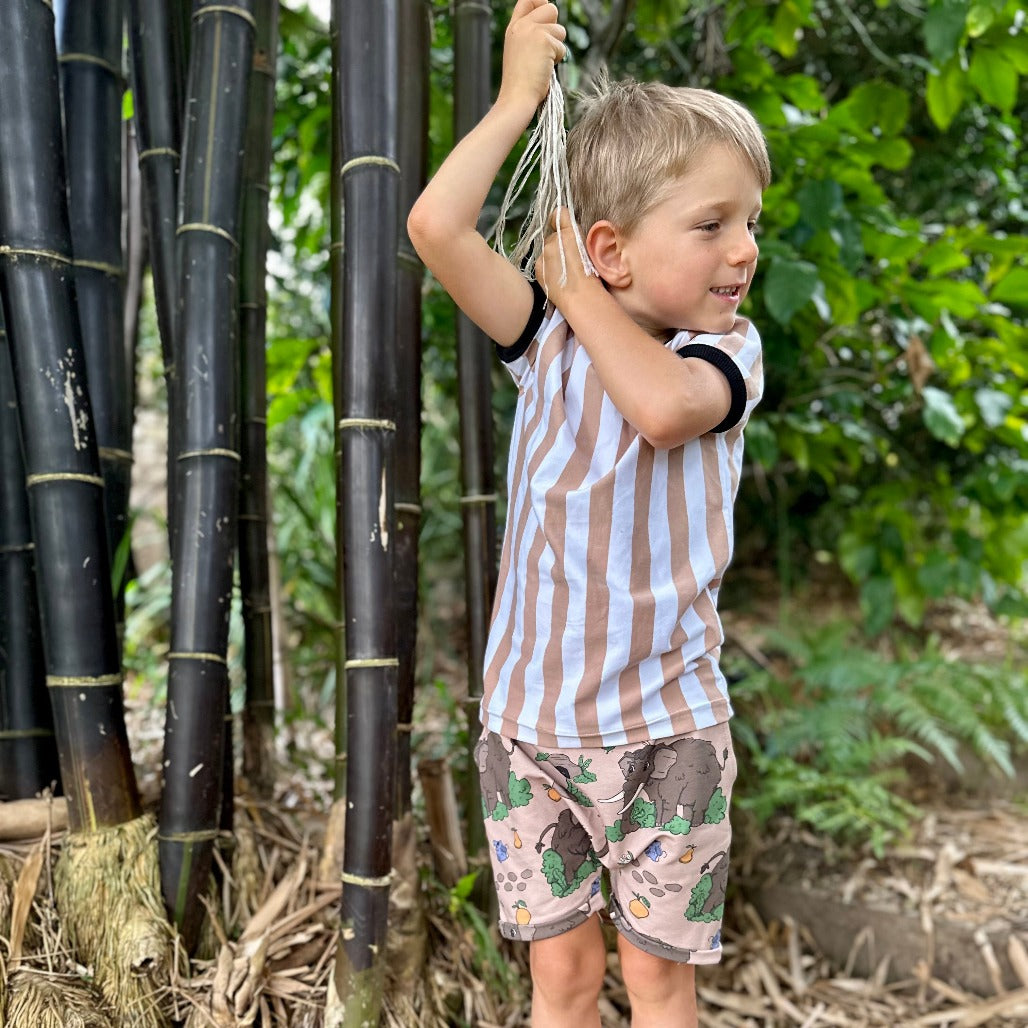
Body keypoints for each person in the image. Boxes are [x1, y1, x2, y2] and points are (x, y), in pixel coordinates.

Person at [408, 2, 770, 1024]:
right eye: (709, 224)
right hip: (528, 734)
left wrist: (577, 294)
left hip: (665, 738)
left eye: (749, 221)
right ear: (609, 247)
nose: (741, 249)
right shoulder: (545, 344)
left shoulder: (720, 357)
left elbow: (657, 411)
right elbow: (434, 227)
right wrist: (518, 101)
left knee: (658, 980)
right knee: (560, 981)